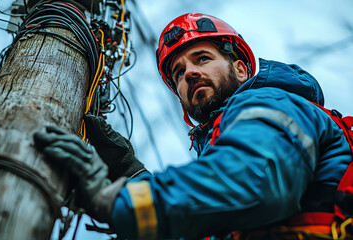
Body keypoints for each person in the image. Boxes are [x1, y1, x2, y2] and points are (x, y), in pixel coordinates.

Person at [33, 13, 352, 239]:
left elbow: (252, 181)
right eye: (178, 73)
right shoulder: (219, 149)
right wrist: (129, 175)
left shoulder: (268, 103)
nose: (188, 73)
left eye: (202, 58)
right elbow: (208, 215)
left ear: (241, 70)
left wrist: (120, 200)